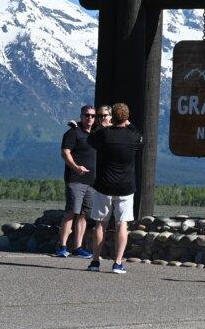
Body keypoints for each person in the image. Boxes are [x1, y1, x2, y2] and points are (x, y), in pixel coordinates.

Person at [86, 102, 143, 274]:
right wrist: (128, 123)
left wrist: (104, 126)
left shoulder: (104, 134)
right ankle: (117, 263)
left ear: (112, 117)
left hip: (104, 185)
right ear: (126, 118)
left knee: (100, 225)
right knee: (121, 225)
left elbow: (90, 139)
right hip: (126, 186)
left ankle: (95, 261)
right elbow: (140, 136)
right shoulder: (134, 136)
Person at [53, 105, 98, 258]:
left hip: (91, 182)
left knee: (84, 215)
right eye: (87, 115)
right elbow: (65, 153)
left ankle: (78, 247)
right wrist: (75, 167)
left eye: (92, 115)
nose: (90, 118)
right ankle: (62, 246)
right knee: (71, 212)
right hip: (76, 180)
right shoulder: (73, 133)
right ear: (81, 116)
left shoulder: (95, 135)